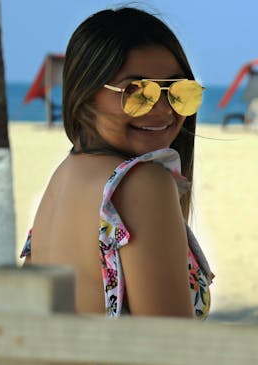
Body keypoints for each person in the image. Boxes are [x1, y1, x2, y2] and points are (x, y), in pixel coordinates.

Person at [20, 7, 213, 319]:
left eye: (179, 91)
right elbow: (169, 346)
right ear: (86, 94)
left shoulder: (65, 177)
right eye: (136, 91)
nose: (164, 109)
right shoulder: (142, 183)